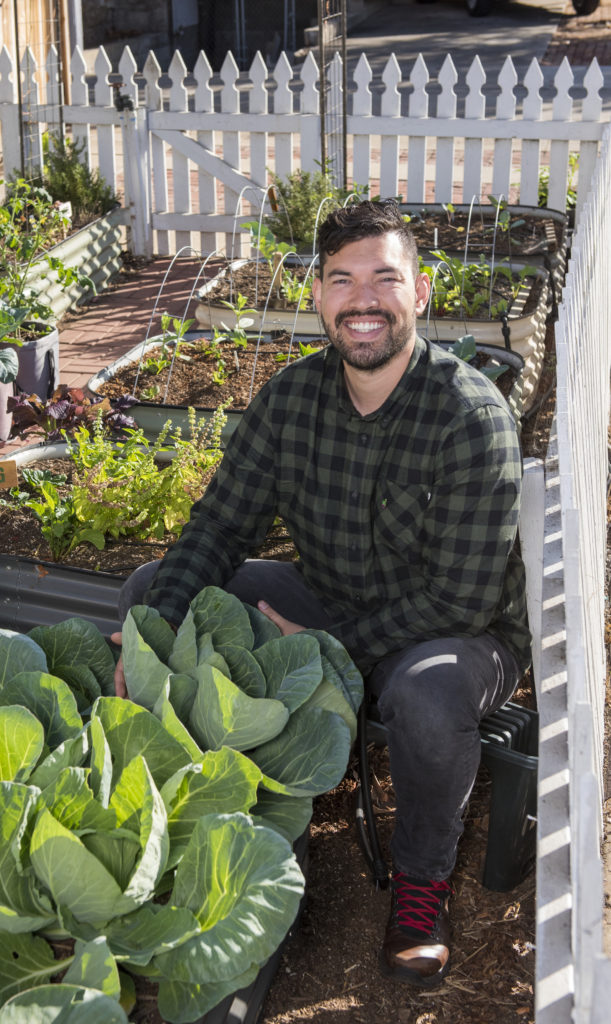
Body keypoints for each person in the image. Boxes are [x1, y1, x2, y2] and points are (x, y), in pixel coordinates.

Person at [112, 199, 531, 989]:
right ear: (317, 296)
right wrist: (153, 626)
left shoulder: (469, 416)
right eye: (341, 279)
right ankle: (192, 813)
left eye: (384, 278)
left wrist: (314, 652)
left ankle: (420, 884)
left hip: (454, 635)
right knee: (150, 588)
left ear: (421, 292)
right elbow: (218, 525)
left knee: (428, 695)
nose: (361, 300)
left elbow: (463, 598)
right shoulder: (291, 399)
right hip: (329, 593)